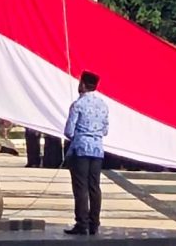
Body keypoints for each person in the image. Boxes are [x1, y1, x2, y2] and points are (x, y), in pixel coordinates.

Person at [63, 71, 108, 236]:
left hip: (80, 148)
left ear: (82, 85)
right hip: (97, 149)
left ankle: (81, 223)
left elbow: (68, 131)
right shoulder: (103, 104)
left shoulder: (78, 105)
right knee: (94, 187)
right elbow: (105, 130)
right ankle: (94, 223)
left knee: (80, 187)